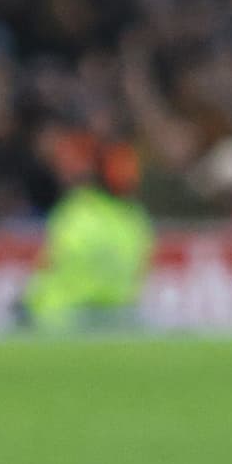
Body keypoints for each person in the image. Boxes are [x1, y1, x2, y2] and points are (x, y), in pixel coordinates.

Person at [23, 138, 152, 331]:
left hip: (59, 316)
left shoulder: (77, 210)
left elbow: (50, 262)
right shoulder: (136, 220)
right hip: (112, 320)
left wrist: (29, 302)